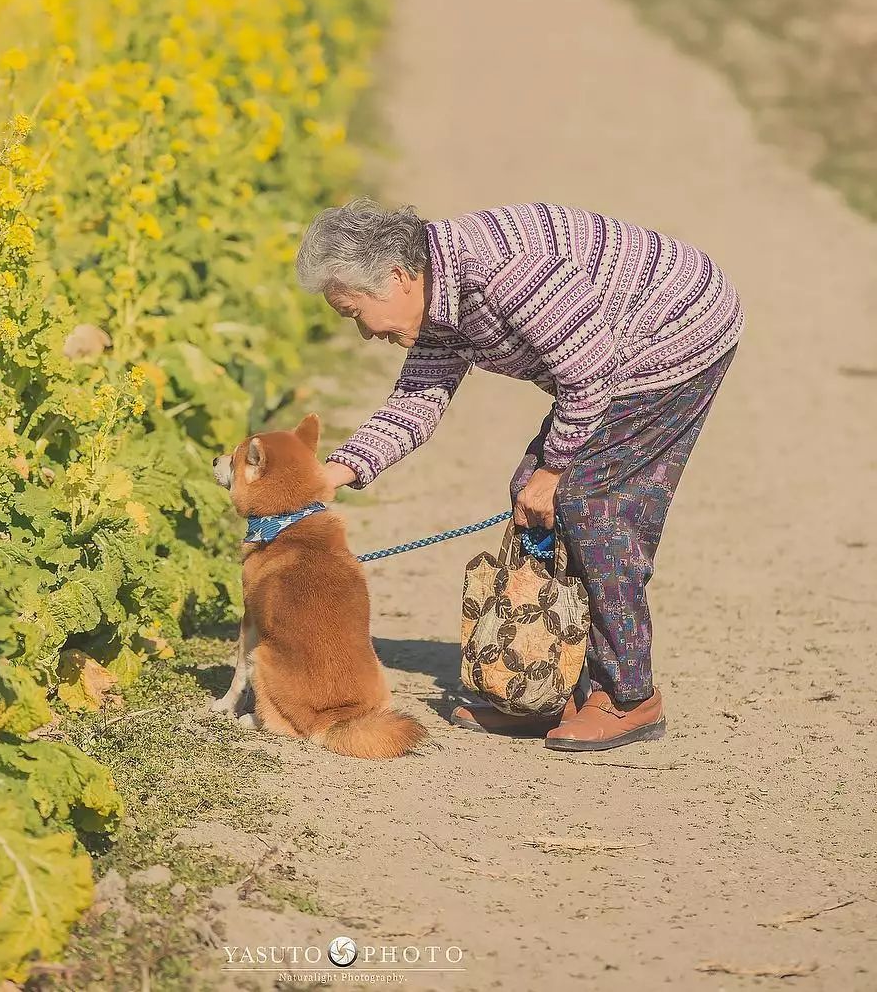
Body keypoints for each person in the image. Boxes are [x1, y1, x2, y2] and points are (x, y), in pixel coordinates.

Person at [295, 198, 743, 752]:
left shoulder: (501, 273)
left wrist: (554, 470)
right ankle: (543, 682)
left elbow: (589, 370)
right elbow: (417, 401)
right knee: (532, 500)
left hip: (676, 334)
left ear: (396, 277)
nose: (364, 333)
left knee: (587, 505)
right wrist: (333, 474)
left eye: (354, 313)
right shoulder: (437, 300)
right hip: (608, 362)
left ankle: (628, 696)